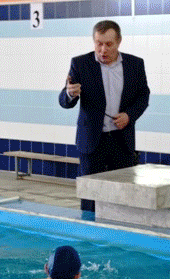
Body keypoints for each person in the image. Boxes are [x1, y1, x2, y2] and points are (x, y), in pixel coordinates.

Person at [59, 20, 149, 211]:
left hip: (121, 140)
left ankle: (119, 227)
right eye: (99, 43)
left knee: (122, 194)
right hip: (92, 141)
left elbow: (143, 96)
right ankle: (88, 228)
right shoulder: (80, 64)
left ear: (119, 42)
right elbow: (64, 101)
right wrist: (70, 93)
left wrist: (129, 115)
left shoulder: (135, 65)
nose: (103, 50)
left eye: (109, 44)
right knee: (90, 195)